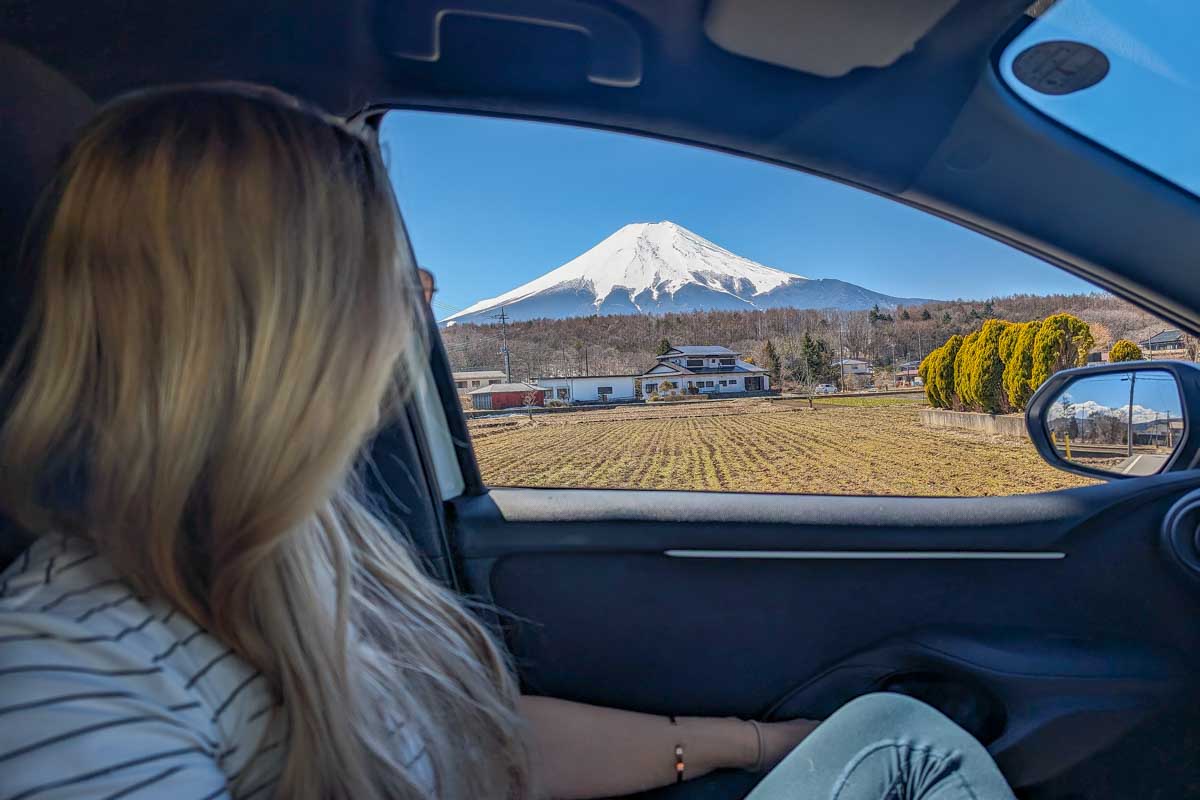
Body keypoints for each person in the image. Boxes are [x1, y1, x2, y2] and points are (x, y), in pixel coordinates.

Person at [0, 84, 1016, 800]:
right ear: (277, 325)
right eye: (394, 277)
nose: (419, 305)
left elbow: (473, 741)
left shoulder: (307, 546)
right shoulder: (70, 681)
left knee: (889, 736)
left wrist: (749, 741)